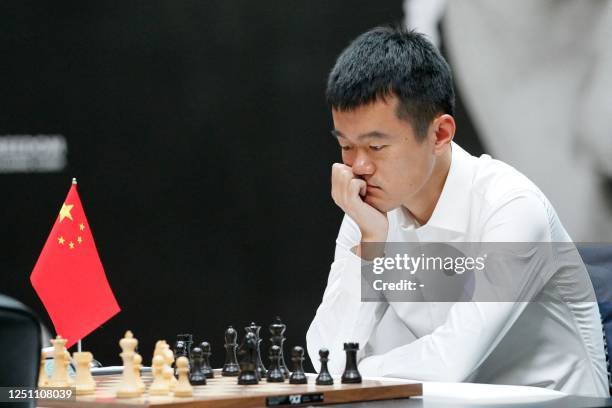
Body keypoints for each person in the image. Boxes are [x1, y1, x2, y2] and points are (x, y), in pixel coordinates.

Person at [306, 26, 609, 397]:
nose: (359, 166)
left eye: (376, 146)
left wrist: (360, 371)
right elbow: (328, 359)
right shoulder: (369, 212)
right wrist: (371, 246)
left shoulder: (511, 207)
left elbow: (450, 363)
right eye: (347, 146)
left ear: (439, 134)